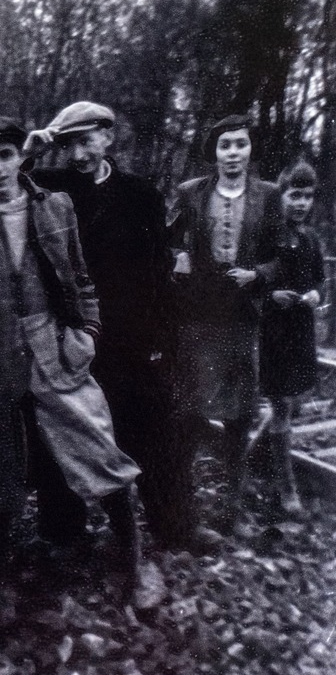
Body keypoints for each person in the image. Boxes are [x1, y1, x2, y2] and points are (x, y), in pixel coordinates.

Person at [0, 118, 154, 624]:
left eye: (7, 155)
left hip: (52, 349)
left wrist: (88, 333)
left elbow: (81, 279)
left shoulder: (55, 206)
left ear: (20, 158)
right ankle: (0, 585)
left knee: (99, 450)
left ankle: (135, 567)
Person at [24, 101, 220, 554]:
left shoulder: (140, 195)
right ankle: (63, 533)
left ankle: (176, 527)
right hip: (71, 338)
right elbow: (5, 189)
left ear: (108, 137)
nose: (78, 154)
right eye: (69, 144)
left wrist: (162, 341)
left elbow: (158, 272)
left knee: (155, 434)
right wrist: (31, 153)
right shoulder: (50, 191)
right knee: (64, 436)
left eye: (86, 140)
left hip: (132, 339)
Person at [167, 114, 281, 534]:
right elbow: (168, 239)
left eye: (240, 145)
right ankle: (184, 508)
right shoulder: (191, 193)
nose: (232, 153)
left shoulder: (269, 196)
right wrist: (178, 256)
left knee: (241, 414)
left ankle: (231, 506)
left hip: (242, 318)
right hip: (198, 315)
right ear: (213, 152)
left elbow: (282, 256)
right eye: (224, 146)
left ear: (250, 150)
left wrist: (258, 275)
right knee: (192, 410)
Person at [259, 161, 323, 516]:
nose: (301, 203)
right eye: (294, 195)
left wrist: (315, 295)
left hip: (300, 331)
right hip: (271, 331)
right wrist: (271, 297)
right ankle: (287, 488)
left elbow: (318, 279)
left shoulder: (312, 238)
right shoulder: (268, 235)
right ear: (281, 195)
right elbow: (249, 283)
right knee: (281, 404)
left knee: (291, 402)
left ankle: (264, 453)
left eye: (308, 196)